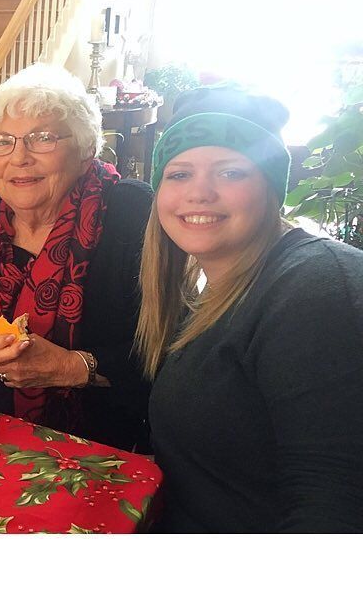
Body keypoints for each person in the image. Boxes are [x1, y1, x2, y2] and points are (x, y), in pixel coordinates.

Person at [135, 84, 363, 532]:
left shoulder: (316, 293)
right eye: (179, 174)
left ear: (273, 187)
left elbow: (333, 509)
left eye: (231, 173)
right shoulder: (212, 281)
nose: (199, 193)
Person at [0, 64, 153, 450]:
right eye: (4, 141)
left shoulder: (131, 215)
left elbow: (164, 354)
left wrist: (71, 368)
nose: (19, 157)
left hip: (83, 442)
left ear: (87, 148)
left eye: (43, 139)